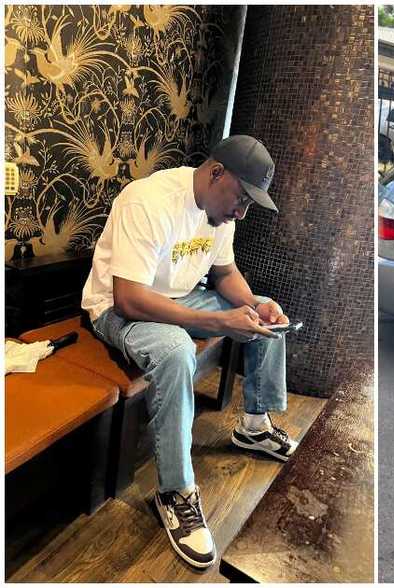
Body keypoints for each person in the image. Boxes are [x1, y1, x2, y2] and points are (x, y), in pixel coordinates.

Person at [81, 135, 300, 568]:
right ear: (216, 172)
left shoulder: (222, 215)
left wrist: (254, 304)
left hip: (179, 298)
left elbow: (226, 273)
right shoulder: (149, 202)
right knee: (178, 350)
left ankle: (254, 425)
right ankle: (175, 491)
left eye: (250, 205)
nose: (241, 211)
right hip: (119, 308)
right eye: (241, 198)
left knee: (268, 317)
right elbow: (128, 298)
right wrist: (218, 321)